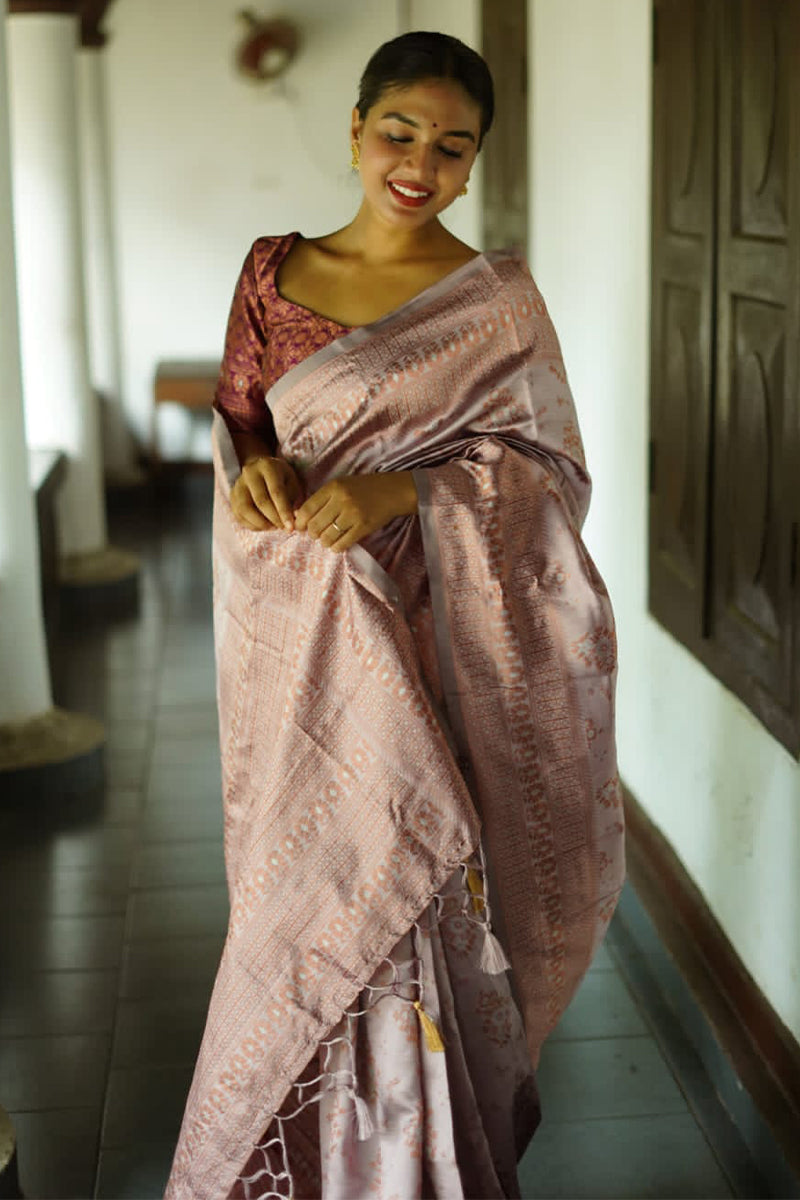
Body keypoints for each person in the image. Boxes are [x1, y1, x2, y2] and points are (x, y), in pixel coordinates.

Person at [165, 30, 624, 1200]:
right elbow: (240, 424)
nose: (420, 162)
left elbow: (548, 472)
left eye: (451, 144)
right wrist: (254, 474)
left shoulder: (494, 302)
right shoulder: (272, 269)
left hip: (438, 644)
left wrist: (402, 489)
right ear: (355, 132)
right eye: (399, 132)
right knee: (311, 886)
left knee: (412, 879)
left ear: (474, 164)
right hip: (303, 646)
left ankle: (421, 1165)